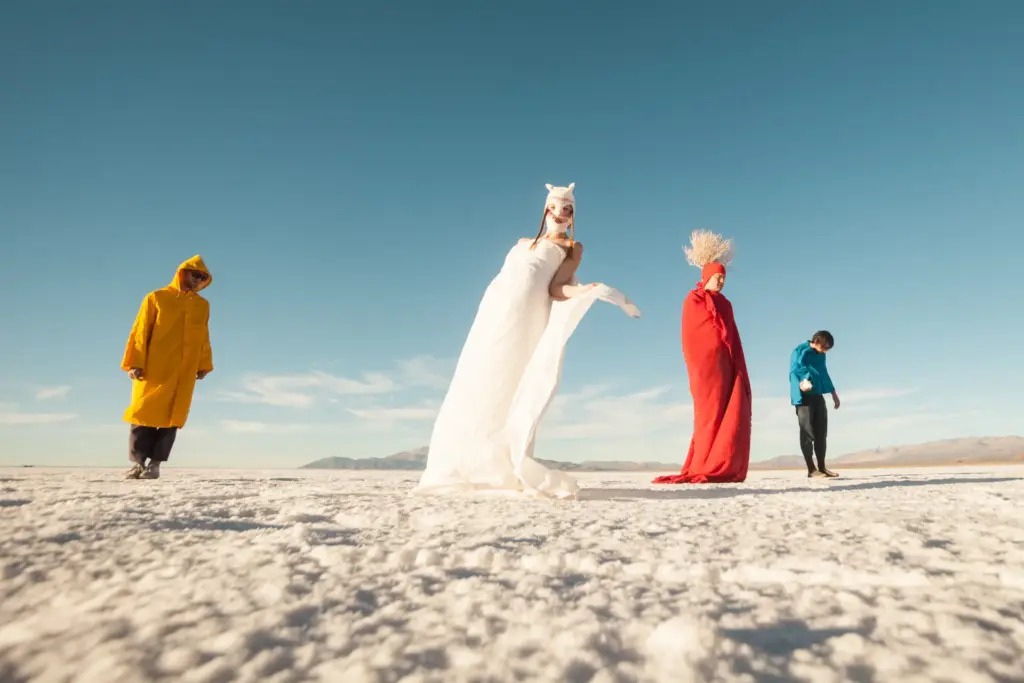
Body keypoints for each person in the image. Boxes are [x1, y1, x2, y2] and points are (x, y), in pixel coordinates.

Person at [415, 183, 640, 499]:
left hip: (528, 317)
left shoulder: (573, 247)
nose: (560, 214)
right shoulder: (520, 243)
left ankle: (504, 464)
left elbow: (556, 288)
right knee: (477, 381)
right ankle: (457, 464)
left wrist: (586, 290)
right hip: (495, 314)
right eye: (555, 207)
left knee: (512, 382)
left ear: (573, 215)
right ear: (545, 208)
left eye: (568, 209)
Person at [654, 230, 752, 485]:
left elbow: (732, 336)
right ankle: (704, 462)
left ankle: (723, 461)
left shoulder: (726, 304)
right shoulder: (694, 299)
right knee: (708, 412)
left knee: (726, 410)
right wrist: (712, 350)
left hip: (727, 364)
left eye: (723, 279)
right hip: (706, 367)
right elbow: (693, 334)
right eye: (717, 278)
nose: (720, 282)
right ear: (706, 277)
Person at [120, 255, 214, 480]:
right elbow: (140, 331)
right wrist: (135, 362)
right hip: (154, 366)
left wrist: (203, 364)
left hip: (184, 369)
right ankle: (138, 463)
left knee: (173, 417)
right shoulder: (157, 297)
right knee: (144, 414)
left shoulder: (202, 306)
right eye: (195, 274)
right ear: (182, 272)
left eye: (203, 277)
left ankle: (156, 464)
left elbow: (204, 336)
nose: (198, 280)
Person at [790, 331, 840, 478]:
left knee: (821, 432)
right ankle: (811, 469)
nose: (825, 350)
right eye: (824, 347)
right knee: (807, 432)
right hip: (804, 397)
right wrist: (802, 382)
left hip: (817, 395)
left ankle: (822, 467)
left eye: (828, 349)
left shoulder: (821, 355)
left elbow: (823, 372)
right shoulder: (799, 351)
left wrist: (833, 393)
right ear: (816, 341)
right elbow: (794, 371)